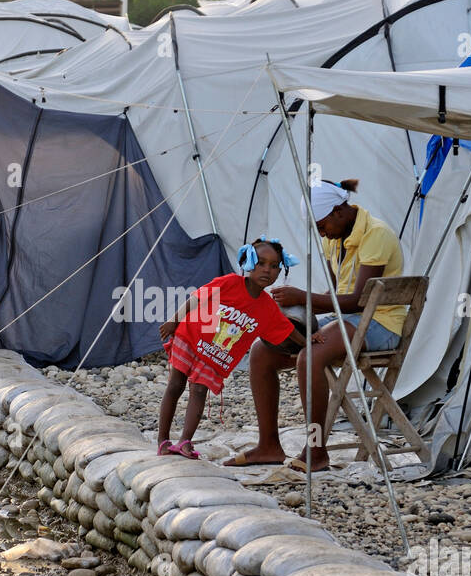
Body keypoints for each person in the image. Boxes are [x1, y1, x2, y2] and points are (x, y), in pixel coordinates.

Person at [225, 179, 405, 472]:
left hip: (380, 324)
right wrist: (295, 307)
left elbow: (359, 301)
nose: (321, 232)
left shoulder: (377, 235)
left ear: (338, 211)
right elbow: (335, 296)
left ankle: (317, 450)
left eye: (322, 225)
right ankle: (268, 445)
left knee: (311, 356)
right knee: (262, 351)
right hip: (347, 320)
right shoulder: (333, 238)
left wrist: (302, 297)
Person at [157, 239, 306, 459]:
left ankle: (185, 442)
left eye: (274, 266)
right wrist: (174, 320)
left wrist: (308, 341)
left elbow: (287, 330)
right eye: (261, 263)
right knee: (175, 385)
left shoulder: (267, 308)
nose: (267, 270)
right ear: (248, 263)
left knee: (199, 391)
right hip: (190, 338)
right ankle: (162, 440)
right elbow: (198, 298)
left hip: (215, 355)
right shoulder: (229, 283)